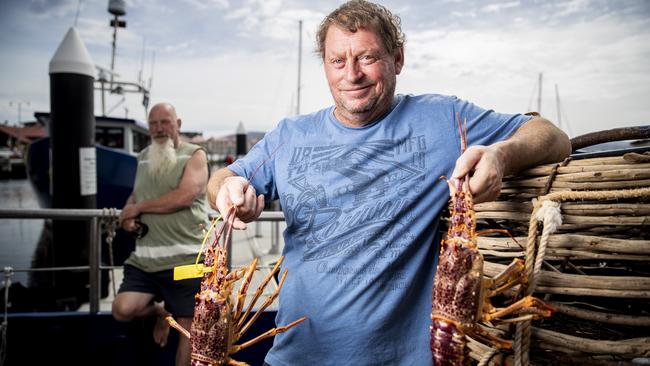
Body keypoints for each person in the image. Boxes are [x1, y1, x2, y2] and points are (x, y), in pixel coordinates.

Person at [207, 1, 572, 365]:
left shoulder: (443, 118)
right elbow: (222, 179)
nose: (351, 74)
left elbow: (552, 136)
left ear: (397, 59)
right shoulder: (288, 136)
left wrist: (502, 156)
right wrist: (227, 190)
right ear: (325, 66)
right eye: (337, 61)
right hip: (294, 357)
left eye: (366, 58)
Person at [112, 102, 209, 366]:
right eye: (153, 123)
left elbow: (185, 196)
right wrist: (130, 215)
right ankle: (161, 312)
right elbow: (138, 193)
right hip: (146, 260)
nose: (159, 129)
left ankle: (173, 316)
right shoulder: (144, 155)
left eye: (165, 122)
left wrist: (139, 207)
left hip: (187, 260)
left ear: (178, 124)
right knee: (123, 309)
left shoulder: (194, 154)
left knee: (187, 330)